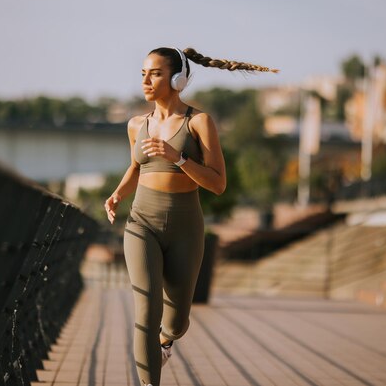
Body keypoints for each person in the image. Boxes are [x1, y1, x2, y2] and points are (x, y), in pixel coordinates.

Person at [104, 47, 276, 386]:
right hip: (141, 223)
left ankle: (165, 343)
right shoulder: (136, 124)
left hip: (186, 227)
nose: (146, 80)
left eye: (154, 73)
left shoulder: (198, 122)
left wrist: (178, 158)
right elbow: (137, 166)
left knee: (177, 321)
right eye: (143, 74)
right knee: (146, 309)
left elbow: (218, 183)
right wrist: (117, 194)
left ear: (178, 79)